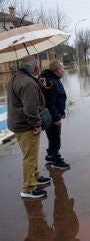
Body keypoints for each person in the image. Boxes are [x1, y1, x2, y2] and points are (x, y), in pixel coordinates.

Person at [7, 55, 51, 199]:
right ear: (34, 67)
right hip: (26, 126)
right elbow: (31, 108)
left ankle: (35, 177)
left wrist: (37, 83)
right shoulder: (27, 83)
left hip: (18, 123)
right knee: (30, 157)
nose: (39, 67)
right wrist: (36, 124)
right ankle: (28, 188)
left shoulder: (18, 78)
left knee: (31, 154)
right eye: (37, 65)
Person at [40, 60, 70, 169]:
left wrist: (62, 111)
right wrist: (57, 117)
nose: (63, 70)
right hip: (52, 116)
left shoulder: (54, 79)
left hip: (56, 113)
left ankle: (50, 155)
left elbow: (59, 98)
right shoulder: (50, 81)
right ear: (57, 70)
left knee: (53, 137)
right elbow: (50, 103)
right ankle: (55, 160)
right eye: (62, 68)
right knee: (55, 138)